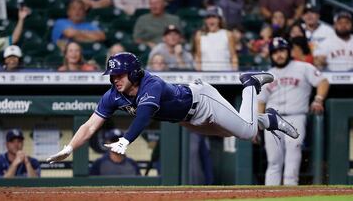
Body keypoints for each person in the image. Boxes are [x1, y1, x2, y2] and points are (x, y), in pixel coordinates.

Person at [46, 51, 299, 164]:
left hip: (202, 102)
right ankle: (270, 121)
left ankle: (249, 84)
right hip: (187, 121)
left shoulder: (151, 83)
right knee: (236, 130)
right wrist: (69, 148)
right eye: (112, 76)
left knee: (246, 132)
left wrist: (126, 140)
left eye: (120, 75)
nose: (115, 79)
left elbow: (144, 115)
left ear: (133, 72)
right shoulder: (113, 95)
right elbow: (90, 125)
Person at [258, 37, 329, 186]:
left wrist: (318, 99)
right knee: (273, 162)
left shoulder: (303, 67)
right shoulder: (268, 74)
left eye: (282, 50)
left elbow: (323, 81)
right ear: (271, 55)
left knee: (293, 158)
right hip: (272, 120)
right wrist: (258, 123)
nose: (279, 54)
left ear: (289, 51)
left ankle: (290, 193)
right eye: (275, 52)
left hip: (296, 116)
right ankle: (270, 196)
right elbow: (261, 101)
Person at [193, 7, 239, 71]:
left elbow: (233, 56)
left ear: (219, 20)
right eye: (208, 17)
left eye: (214, 17)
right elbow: (198, 57)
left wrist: (234, 74)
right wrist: (198, 73)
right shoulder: (199, 35)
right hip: (205, 74)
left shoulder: (228, 34)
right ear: (205, 20)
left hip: (225, 74)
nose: (211, 20)